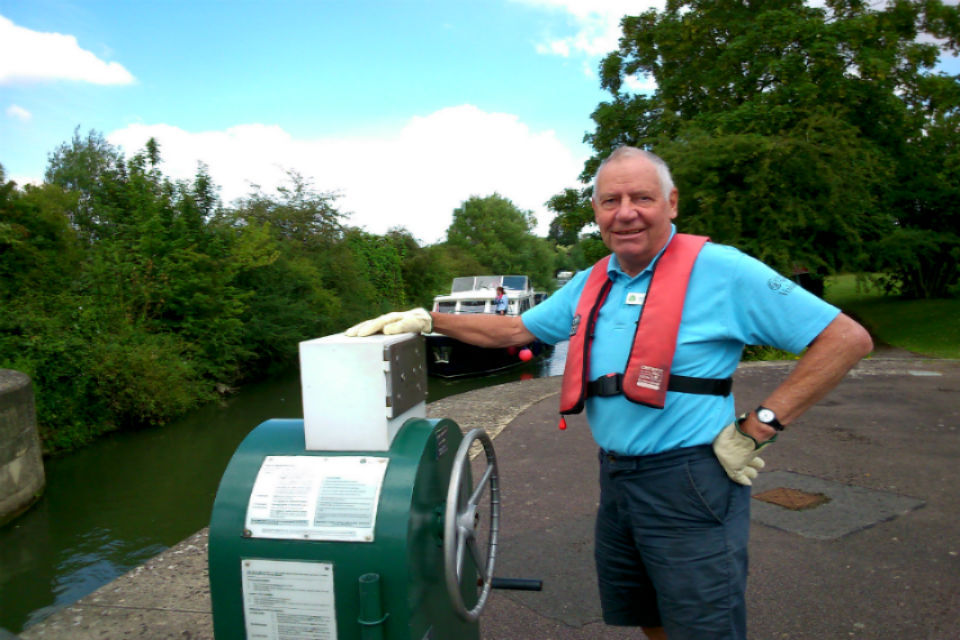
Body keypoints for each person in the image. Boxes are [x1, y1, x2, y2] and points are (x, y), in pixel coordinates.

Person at [345, 146, 873, 640]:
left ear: (671, 203)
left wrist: (759, 426)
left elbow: (845, 339)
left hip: (690, 478)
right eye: (611, 201)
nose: (626, 213)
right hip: (618, 475)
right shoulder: (596, 278)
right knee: (645, 611)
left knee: (703, 623)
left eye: (642, 198)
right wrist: (426, 318)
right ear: (596, 211)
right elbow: (515, 332)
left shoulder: (723, 270)